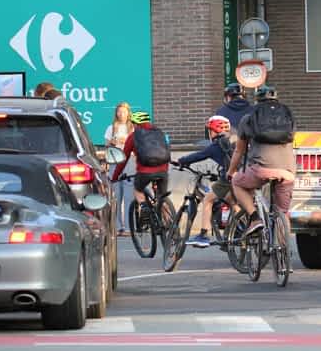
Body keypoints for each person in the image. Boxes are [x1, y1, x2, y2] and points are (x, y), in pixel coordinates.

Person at [227, 85, 296, 236]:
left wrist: (231, 172)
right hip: (288, 171)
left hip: (261, 169)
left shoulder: (248, 118)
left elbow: (239, 151)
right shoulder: (287, 117)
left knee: (237, 182)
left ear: (257, 101)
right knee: (283, 213)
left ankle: (255, 218)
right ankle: (283, 251)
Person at [174, 115, 235, 248]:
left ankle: (203, 235)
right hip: (243, 176)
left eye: (210, 130)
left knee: (208, 200)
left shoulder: (216, 145)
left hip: (229, 178)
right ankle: (233, 232)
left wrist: (181, 161)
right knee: (232, 202)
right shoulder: (233, 141)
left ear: (213, 131)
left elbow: (198, 156)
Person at [111, 111, 171, 212]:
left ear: (136, 124)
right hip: (163, 171)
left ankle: (144, 208)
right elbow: (167, 151)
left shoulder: (133, 137)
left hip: (144, 173)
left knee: (137, 190)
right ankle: (170, 223)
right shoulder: (160, 133)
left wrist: (115, 177)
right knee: (162, 199)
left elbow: (123, 159)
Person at [105, 102, 134, 236]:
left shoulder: (133, 128)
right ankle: (117, 226)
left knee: (129, 196)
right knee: (116, 195)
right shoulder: (111, 128)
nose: (121, 114)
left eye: (124, 112)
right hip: (115, 162)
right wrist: (112, 142)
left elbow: (137, 146)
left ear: (128, 113)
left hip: (128, 162)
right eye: (119, 112)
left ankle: (128, 227)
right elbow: (106, 145)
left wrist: (127, 142)